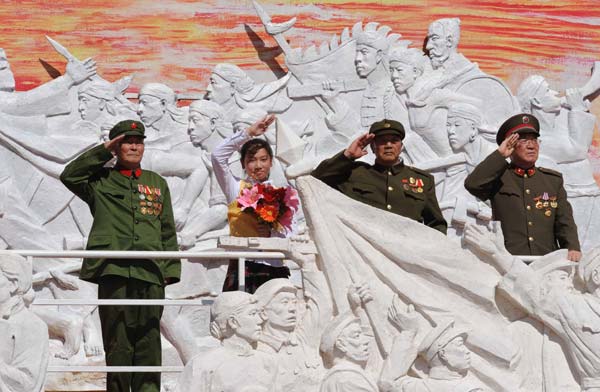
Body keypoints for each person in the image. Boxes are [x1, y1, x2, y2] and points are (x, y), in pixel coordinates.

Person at [60, 119, 180, 392]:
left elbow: (167, 229)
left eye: (139, 142)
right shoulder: (99, 181)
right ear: (116, 146)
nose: (134, 146)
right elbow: (69, 175)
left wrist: (170, 270)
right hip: (113, 269)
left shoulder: (156, 182)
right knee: (118, 340)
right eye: (127, 141)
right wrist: (104, 150)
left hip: (150, 271)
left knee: (149, 339)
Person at [464, 113, 581, 261]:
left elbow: (564, 220)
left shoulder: (552, 181)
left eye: (534, 140)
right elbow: (472, 184)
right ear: (511, 145)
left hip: (545, 260)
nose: (531, 145)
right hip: (509, 260)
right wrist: (500, 155)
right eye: (524, 140)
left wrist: (572, 247)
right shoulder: (499, 176)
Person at [311, 119, 447, 234]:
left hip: (408, 253)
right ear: (373, 146)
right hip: (367, 251)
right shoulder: (354, 173)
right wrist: (347, 156)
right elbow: (316, 179)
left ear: (401, 146)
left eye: (394, 141)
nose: (388, 145)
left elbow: (436, 224)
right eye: (382, 141)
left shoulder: (422, 180)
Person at [212, 113, 295, 292]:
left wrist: (272, 233)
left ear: (271, 162)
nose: (258, 166)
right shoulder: (235, 188)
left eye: (263, 159)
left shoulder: (283, 193)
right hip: (244, 264)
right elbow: (217, 156)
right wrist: (249, 132)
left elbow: (291, 232)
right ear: (243, 164)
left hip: (274, 265)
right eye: (251, 160)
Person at [176, 291, 278, 392]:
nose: (260, 320)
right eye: (252, 314)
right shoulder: (204, 364)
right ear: (233, 322)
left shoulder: (267, 362)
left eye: (259, 314)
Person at [319, 312, 377, 392]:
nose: (365, 341)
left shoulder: (338, 377)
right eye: (357, 336)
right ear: (341, 344)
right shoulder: (347, 379)